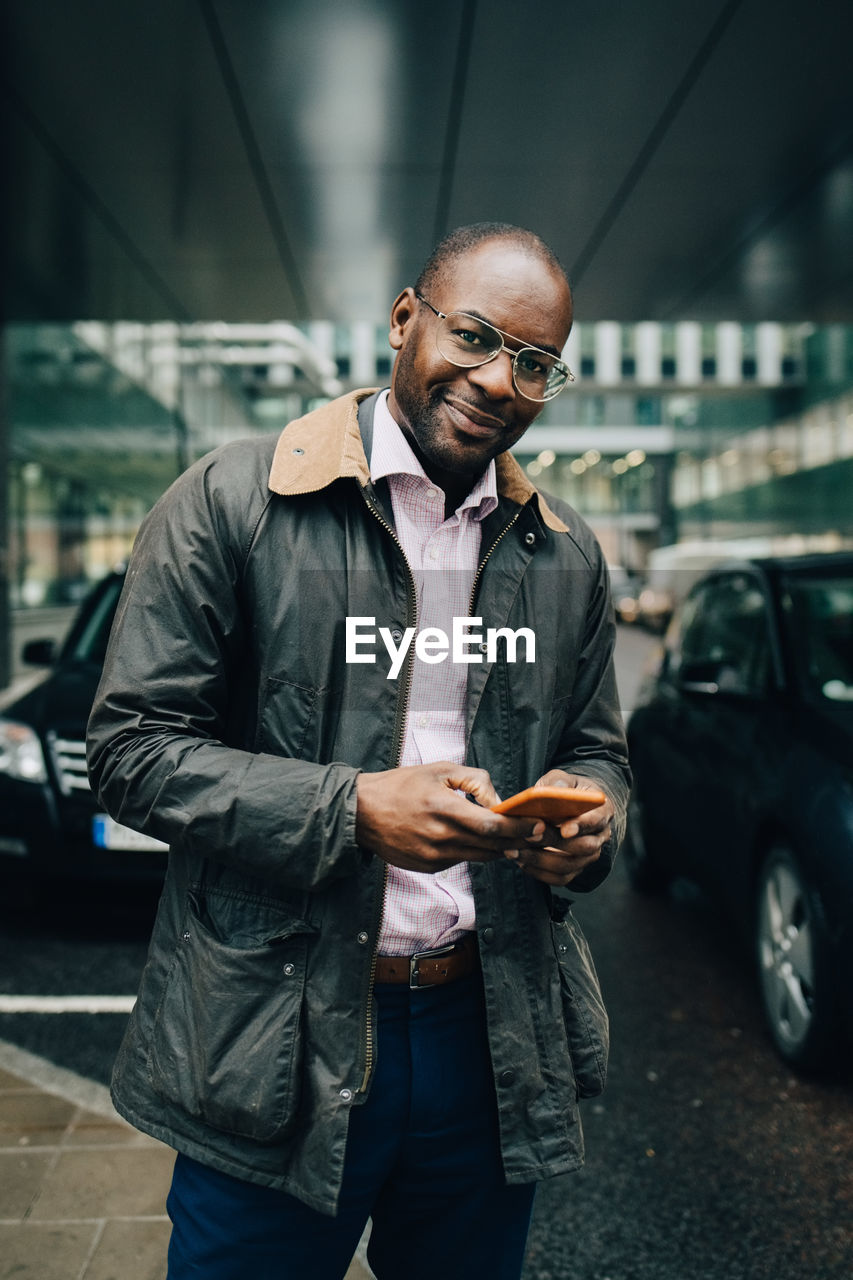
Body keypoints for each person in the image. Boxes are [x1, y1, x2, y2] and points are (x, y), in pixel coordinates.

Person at [87, 221, 631, 1280]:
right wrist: (351, 810)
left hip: (487, 1031)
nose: (497, 379)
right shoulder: (229, 500)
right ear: (401, 320)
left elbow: (598, 747)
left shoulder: (563, 549)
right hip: (273, 1033)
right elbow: (131, 749)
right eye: (473, 336)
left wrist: (590, 817)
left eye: (533, 363)